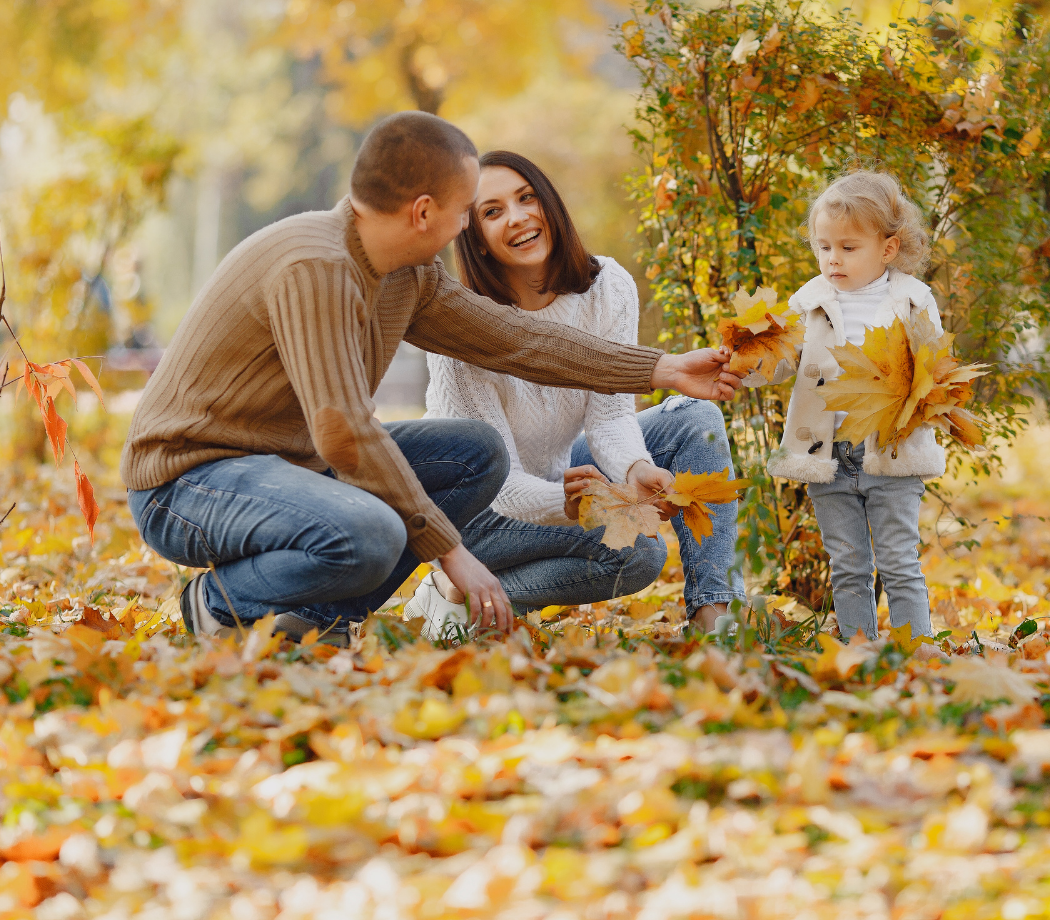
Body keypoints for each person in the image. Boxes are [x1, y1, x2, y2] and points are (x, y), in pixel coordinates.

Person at [121, 112, 740, 647]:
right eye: (470, 209)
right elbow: (344, 433)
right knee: (372, 531)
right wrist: (451, 553)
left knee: (474, 454)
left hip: (287, 470)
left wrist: (659, 368)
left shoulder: (408, 274)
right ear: (424, 212)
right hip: (189, 482)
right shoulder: (316, 267)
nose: (471, 227)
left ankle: (318, 619)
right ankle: (221, 604)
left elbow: (518, 340)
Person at [407, 151, 745, 639]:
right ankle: (458, 597)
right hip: (471, 512)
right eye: (493, 211)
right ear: (474, 238)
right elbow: (500, 486)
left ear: (549, 203)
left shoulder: (607, 287)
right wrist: (579, 506)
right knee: (637, 552)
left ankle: (716, 615)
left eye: (526, 198)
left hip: (558, 473)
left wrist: (636, 469)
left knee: (694, 418)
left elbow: (608, 416)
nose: (519, 218)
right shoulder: (462, 330)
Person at [763, 169, 942, 641]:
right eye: (824, 246)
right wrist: (752, 357)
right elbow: (782, 364)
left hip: (890, 452)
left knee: (900, 560)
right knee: (847, 563)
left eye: (848, 247)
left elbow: (933, 374)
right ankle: (857, 648)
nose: (832, 259)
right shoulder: (810, 301)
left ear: (888, 248)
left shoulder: (912, 301)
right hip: (828, 455)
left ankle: (914, 649)